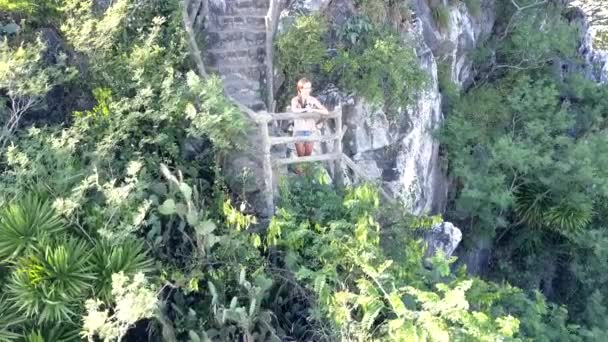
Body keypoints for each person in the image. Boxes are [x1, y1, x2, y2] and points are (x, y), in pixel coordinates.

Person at [290, 78, 329, 157]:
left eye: (309, 88)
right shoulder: (295, 100)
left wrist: (314, 110)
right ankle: (299, 169)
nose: (308, 90)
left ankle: (308, 169)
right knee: (300, 156)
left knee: (308, 155)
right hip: (299, 130)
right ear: (300, 88)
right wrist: (305, 109)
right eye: (306, 88)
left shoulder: (313, 100)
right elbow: (294, 110)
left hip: (310, 130)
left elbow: (326, 111)